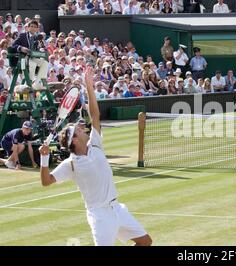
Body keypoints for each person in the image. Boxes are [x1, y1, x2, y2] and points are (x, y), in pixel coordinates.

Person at [38, 67, 152, 246]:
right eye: (78, 130)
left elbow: (95, 115)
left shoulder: (95, 144)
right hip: (99, 216)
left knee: (145, 242)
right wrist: (44, 159)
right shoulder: (71, 164)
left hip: (116, 208)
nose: (83, 128)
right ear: (74, 141)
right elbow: (46, 181)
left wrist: (89, 87)